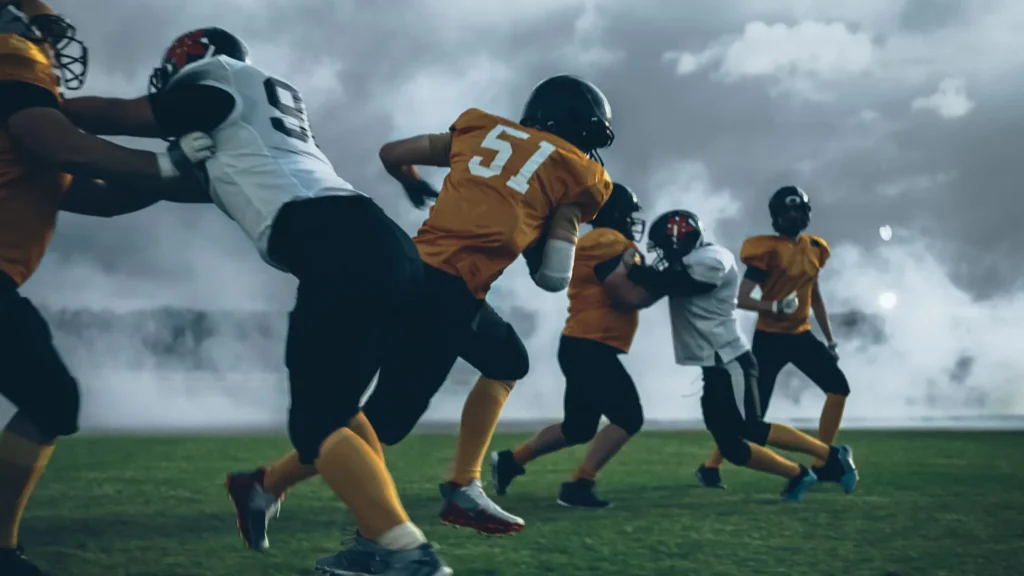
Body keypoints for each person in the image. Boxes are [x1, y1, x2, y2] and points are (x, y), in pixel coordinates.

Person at [60, 27, 450, 576]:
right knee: (340, 411)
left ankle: (405, 552)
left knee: (316, 424)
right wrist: (155, 165)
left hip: (336, 242)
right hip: (377, 241)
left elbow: (118, 116)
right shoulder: (250, 122)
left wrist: (38, 105)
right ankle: (362, 534)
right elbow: (149, 186)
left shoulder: (217, 81)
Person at [227, 74, 617, 540]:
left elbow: (392, 153)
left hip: (403, 269)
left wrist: (412, 184)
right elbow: (553, 278)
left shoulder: (482, 130)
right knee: (379, 424)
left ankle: (271, 485)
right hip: (448, 294)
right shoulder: (581, 175)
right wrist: (546, 232)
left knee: (507, 360)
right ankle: (405, 511)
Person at [0, 4, 213, 574]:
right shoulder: (14, 64)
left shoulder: (24, 128)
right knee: (50, 399)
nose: (52, 48)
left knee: (49, 399)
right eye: (45, 32)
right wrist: (168, 164)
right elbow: (68, 148)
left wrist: (211, 183)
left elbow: (101, 196)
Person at [629, 209, 857, 502]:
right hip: (714, 366)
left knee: (752, 427)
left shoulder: (711, 259)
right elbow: (664, 282)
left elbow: (675, 283)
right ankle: (797, 475)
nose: (662, 255)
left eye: (664, 247)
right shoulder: (693, 261)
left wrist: (636, 270)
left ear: (679, 241)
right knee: (731, 445)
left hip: (730, 361)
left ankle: (832, 456)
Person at [490, 183, 654, 508]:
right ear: (616, 213)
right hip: (591, 345)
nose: (632, 220)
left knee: (578, 428)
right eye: (628, 214)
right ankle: (580, 484)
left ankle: (511, 461)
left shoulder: (600, 241)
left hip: (581, 344)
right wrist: (664, 285)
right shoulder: (611, 242)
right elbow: (624, 296)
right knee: (628, 417)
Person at [695, 186, 854, 492]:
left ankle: (822, 462)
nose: (793, 216)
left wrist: (830, 339)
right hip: (770, 339)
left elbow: (815, 295)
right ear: (776, 217)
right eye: (787, 211)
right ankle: (711, 466)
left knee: (838, 388)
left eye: (798, 210)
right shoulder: (766, 250)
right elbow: (741, 298)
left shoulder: (815, 247)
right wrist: (774, 306)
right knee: (752, 417)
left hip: (801, 335)